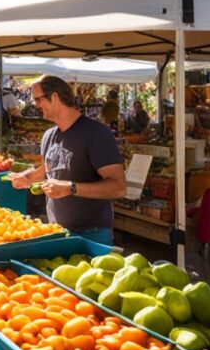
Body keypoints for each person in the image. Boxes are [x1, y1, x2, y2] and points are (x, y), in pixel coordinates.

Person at [7, 75, 126, 246]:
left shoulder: (95, 133)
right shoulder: (49, 136)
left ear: (55, 97)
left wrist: (70, 188)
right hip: (57, 231)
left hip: (91, 235)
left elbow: (119, 187)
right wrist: (27, 177)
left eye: (38, 99)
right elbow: (48, 169)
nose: (35, 105)